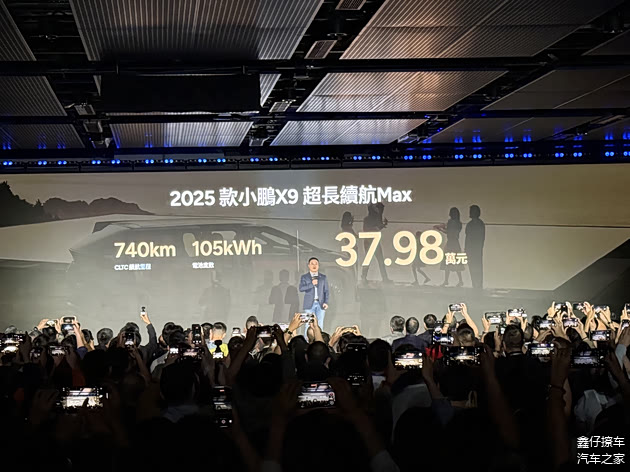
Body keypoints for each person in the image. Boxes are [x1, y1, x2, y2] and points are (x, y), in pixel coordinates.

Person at [361, 203, 391, 283]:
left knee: (378, 260)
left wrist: (381, 225)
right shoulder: (368, 219)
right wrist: (380, 226)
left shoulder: (373, 218)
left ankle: (384, 278)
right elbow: (368, 230)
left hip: (373, 241)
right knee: (370, 260)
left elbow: (377, 228)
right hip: (369, 242)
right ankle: (364, 277)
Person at [299, 257, 329, 331]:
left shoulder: (323, 277)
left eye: (316, 264)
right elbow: (301, 288)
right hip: (309, 304)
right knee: (308, 324)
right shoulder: (305, 277)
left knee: (320, 324)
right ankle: (307, 338)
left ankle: (319, 338)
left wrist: (326, 302)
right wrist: (311, 284)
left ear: (318, 266)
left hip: (320, 303)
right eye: (312, 264)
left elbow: (326, 291)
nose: (314, 265)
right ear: (309, 265)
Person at [437, 207, 464, 287]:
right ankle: (459, 280)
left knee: (448, 262)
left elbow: (449, 232)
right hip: (455, 243)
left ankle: (447, 281)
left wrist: (441, 229)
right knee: (455, 262)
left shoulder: (451, 222)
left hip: (451, 243)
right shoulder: (459, 223)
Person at [465, 204, 485, 290]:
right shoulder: (470, 224)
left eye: (471, 211)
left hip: (476, 249)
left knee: (477, 267)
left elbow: (481, 238)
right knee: (473, 267)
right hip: (472, 249)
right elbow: (467, 237)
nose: (470, 213)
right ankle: (475, 284)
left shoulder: (479, 224)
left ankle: (478, 285)